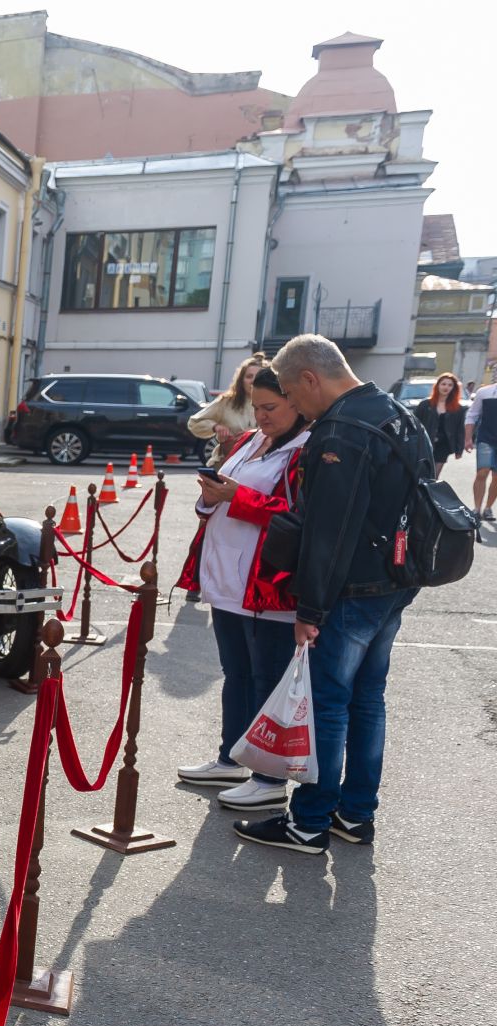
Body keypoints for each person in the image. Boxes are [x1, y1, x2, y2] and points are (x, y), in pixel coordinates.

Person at [233, 335, 429, 854]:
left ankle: (309, 823)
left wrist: (310, 608)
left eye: (295, 396)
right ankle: (356, 815)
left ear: (310, 379)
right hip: (395, 582)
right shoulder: (398, 413)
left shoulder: (340, 431)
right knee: (368, 701)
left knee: (326, 706)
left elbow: (329, 531)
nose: (297, 407)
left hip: (350, 590)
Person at [175, 366, 311, 811]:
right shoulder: (253, 440)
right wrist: (210, 496)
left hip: (267, 589)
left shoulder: (306, 449)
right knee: (236, 675)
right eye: (256, 407)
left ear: (296, 401)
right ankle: (230, 757)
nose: (261, 415)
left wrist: (235, 497)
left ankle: (268, 778)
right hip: (229, 583)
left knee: (264, 681)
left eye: (270, 407)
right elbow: (222, 496)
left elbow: (298, 518)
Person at [187, 355, 266, 468]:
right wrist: (215, 427)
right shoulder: (226, 402)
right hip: (227, 463)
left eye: (257, 376)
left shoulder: (274, 403)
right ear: (241, 380)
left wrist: (254, 434)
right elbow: (194, 422)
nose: (253, 381)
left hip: (261, 464)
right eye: (249, 376)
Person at [412, 373, 465, 479]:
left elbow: (460, 430)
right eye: (443, 384)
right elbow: (414, 423)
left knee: (434, 475)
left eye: (450, 385)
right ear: (438, 386)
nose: (446, 387)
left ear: (454, 388)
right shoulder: (425, 404)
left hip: (443, 445)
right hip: (425, 443)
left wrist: (459, 450)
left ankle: (429, 494)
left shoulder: (458, 408)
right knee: (421, 473)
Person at [468, 379, 497, 522]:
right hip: (486, 438)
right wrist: (468, 438)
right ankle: (477, 509)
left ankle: (488, 508)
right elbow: (472, 414)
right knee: (482, 472)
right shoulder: (484, 392)